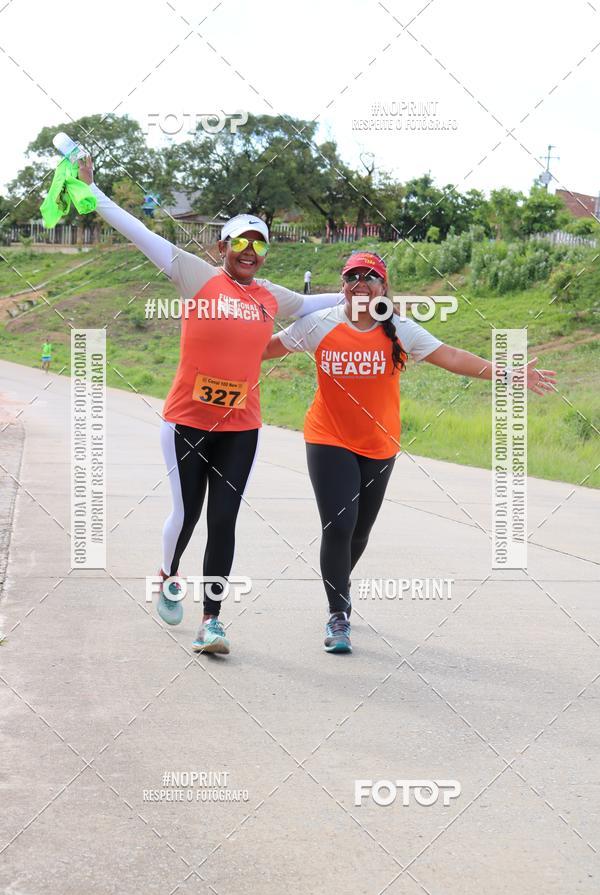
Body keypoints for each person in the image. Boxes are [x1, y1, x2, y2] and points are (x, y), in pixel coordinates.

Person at [78, 156, 342, 655]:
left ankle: (212, 622)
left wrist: (366, 298)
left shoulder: (268, 296)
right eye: (240, 241)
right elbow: (138, 232)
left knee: (224, 520)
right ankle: (167, 572)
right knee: (188, 513)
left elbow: (312, 305)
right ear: (222, 246)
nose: (249, 250)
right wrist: (95, 193)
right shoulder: (196, 275)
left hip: (241, 426)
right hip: (186, 422)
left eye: (258, 243)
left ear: (265, 253)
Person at [262, 250, 557, 654]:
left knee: (360, 532)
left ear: (384, 287)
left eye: (370, 277)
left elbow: (451, 356)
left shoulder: (400, 330)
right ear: (343, 287)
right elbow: (264, 350)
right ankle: (338, 614)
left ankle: (338, 587)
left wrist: (507, 373)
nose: (360, 283)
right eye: (352, 277)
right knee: (340, 525)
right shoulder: (318, 325)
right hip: (327, 437)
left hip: (379, 444)